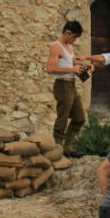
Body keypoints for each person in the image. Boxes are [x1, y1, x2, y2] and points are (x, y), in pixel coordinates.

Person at [46, 20, 91, 153]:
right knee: (63, 118)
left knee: (80, 118)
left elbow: (70, 63)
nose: (75, 40)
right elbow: (50, 69)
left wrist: (85, 66)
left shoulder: (69, 47)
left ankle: (67, 147)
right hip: (62, 85)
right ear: (67, 33)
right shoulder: (56, 47)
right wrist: (72, 69)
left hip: (71, 84)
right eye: (74, 37)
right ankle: (57, 148)